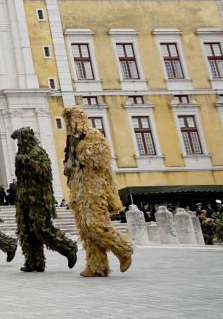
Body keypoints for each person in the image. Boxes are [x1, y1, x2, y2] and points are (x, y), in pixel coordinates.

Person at [62, 106, 133, 277]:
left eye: (72, 119)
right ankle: (96, 265)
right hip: (78, 189)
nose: (70, 123)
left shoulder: (92, 135)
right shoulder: (70, 140)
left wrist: (80, 148)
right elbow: (70, 166)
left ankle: (123, 248)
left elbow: (101, 158)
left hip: (94, 189)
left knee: (95, 223)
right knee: (85, 230)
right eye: (68, 120)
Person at [11, 127, 77, 272]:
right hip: (24, 198)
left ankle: (68, 248)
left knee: (42, 228)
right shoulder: (20, 154)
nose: (19, 144)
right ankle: (34, 261)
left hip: (38, 198)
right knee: (26, 231)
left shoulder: (38, 152)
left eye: (20, 140)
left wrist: (26, 160)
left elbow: (44, 171)